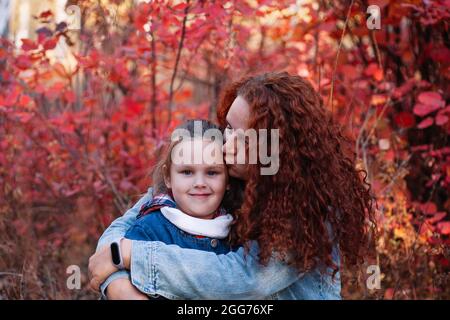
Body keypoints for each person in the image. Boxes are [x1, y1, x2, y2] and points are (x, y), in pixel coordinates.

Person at [89, 72, 376, 300]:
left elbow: (243, 280)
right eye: (228, 128)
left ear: (277, 151)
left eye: (244, 139)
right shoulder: (225, 174)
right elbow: (124, 228)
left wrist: (132, 256)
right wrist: (117, 284)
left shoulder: (311, 208)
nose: (226, 144)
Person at [100, 119, 244, 299]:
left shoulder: (238, 231)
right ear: (168, 177)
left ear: (228, 180)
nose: (200, 183)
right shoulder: (148, 230)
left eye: (212, 172)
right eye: (187, 172)